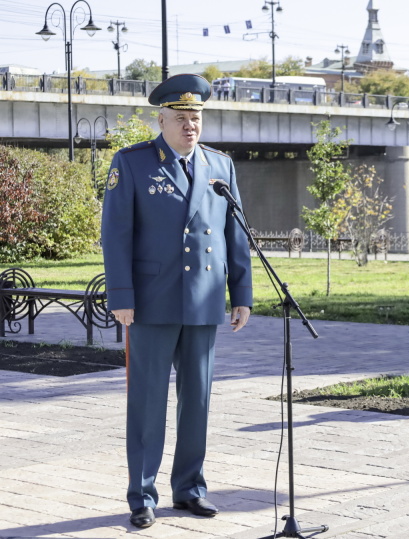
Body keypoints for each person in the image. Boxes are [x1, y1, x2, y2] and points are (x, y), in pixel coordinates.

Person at [101, 74, 254, 529]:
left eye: (197, 118)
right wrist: (121, 296)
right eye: (182, 118)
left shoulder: (219, 166)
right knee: (148, 402)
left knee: (199, 401)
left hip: (204, 300)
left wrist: (241, 294)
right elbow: (116, 236)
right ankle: (142, 495)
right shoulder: (132, 163)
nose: (191, 126)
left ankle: (189, 488)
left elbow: (235, 235)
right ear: (162, 119)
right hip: (150, 301)